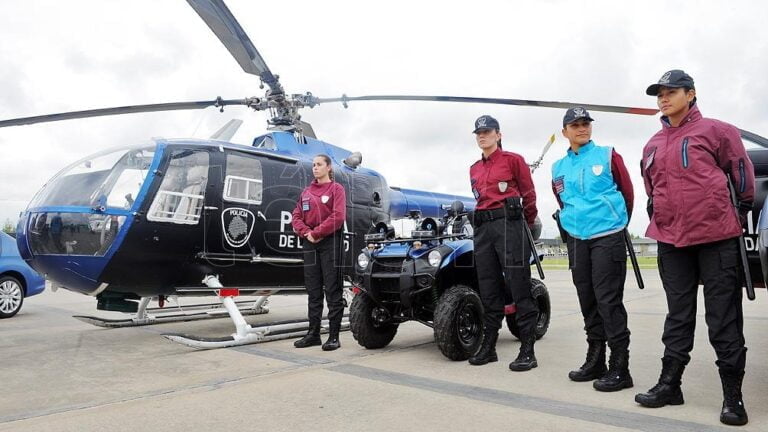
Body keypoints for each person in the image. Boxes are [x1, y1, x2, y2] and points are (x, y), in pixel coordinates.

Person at [634, 70, 753, 426]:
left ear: (691, 94)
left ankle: (733, 396)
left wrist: (736, 215)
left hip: (717, 238)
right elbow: (650, 187)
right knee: (678, 316)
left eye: (671, 92)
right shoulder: (653, 143)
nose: (664, 98)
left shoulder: (717, 131)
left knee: (723, 320)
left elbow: (742, 178)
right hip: (672, 241)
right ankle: (671, 385)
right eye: (660, 94)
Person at [551, 107, 634, 392]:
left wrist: (616, 222)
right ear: (565, 132)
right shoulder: (558, 167)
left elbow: (627, 192)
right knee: (587, 298)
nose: (582, 128)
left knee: (608, 300)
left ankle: (620, 366)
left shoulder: (608, 155)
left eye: (586, 123)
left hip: (607, 234)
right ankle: (595, 358)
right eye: (575, 125)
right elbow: (561, 199)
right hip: (576, 238)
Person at [467, 115, 540, 371]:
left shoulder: (513, 160)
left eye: (487, 131)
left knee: (518, 284)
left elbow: (529, 194)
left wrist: (525, 225)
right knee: (488, 286)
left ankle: (528, 348)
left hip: (509, 225)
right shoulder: (474, 168)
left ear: (498, 134)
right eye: (478, 132)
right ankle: (489, 346)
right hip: (483, 228)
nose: (482, 136)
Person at [291, 154, 347, 351]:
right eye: (313, 165)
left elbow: (338, 217)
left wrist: (317, 232)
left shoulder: (336, 189)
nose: (315, 168)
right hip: (310, 244)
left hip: (330, 243)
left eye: (319, 165)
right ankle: (313, 334)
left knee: (332, 290)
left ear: (329, 167)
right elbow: (296, 216)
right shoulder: (306, 192)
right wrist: (307, 233)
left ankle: (333, 336)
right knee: (313, 290)